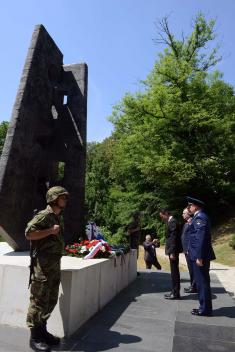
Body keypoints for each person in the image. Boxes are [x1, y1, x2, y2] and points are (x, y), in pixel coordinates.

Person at [25, 186, 69, 352]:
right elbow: (29, 233)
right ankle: (35, 336)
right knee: (38, 301)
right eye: (62, 197)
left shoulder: (59, 217)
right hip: (42, 268)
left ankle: (43, 331)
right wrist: (50, 231)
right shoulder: (44, 215)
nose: (65, 200)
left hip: (54, 265)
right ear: (54, 199)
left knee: (50, 299)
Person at [187, 196, 216, 317]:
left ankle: (205, 309)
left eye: (190, 205)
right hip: (197, 255)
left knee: (202, 282)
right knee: (200, 282)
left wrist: (199, 256)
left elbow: (201, 238)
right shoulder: (197, 217)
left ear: (196, 206)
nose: (189, 208)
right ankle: (203, 307)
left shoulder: (200, 218)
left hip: (200, 256)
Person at [159, 208, 182, 299]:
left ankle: (175, 293)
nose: (162, 218)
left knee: (174, 272)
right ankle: (174, 291)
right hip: (172, 250)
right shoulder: (170, 221)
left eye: (162, 216)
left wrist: (172, 252)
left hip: (173, 251)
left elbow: (173, 238)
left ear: (166, 214)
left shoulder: (172, 222)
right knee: (173, 271)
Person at [181, 208, 197, 293]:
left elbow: (191, 237)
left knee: (192, 269)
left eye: (184, 213)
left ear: (188, 214)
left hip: (189, 250)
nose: (182, 215)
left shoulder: (192, 222)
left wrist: (188, 249)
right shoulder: (186, 224)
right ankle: (192, 285)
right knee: (190, 269)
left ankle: (194, 286)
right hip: (186, 250)